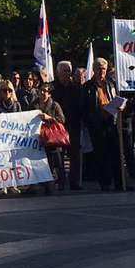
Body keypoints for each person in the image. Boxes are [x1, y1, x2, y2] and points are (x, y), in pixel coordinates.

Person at [81, 58, 124, 191]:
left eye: (104, 69)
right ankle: (105, 183)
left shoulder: (111, 84)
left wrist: (120, 106)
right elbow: (84, 108)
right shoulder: (87, 87)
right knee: (101, 155)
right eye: (99, 69)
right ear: (94, 70)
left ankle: (120, 183)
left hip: (112, 122)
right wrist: (92, 120)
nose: (101, 71)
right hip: (97, 124)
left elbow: (116, 98)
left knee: (116, 153)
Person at [52, 61, 83, 190]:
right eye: (64, 70)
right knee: (59, 156)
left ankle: (75, 182)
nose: (67, 73)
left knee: (75, 155)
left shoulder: (76, 87)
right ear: (58, 72)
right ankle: (61, 181)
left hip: (74, 126)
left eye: (69, 70)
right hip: (58, 127)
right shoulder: (52, 88)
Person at [33, 83, 66, 192]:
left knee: (57, 161)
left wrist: (50, 118)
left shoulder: (55, 105)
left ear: (49, 94)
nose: (42, 93)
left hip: (52, 137)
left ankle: (61, 182)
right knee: (43, 162)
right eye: (41, 90)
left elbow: (62, 119)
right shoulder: (34, 104)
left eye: (45, 91)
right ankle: (46, 183)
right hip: (39, 137)